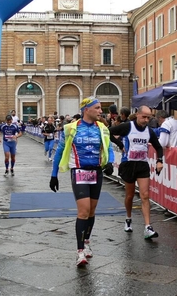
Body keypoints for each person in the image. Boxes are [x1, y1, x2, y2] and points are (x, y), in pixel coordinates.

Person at [49, 97, 114, 267]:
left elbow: (109, 148)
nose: (101, 111)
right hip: (79, 171)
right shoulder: (71, 128)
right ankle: (79, 252)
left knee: (92, 211)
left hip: (96, 172)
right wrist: (54, 175)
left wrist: (109, 163)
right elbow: (60, 151)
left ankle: (86, 242)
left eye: (101, 108)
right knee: (83, 211)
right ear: (87, 109)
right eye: (98, 108)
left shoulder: (102, 127)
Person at [109, 105, 164, 240]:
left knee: (145, 195)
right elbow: (108, 132)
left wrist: (159, 160)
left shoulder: (149, 131)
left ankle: (147, 227)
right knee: (130, 196)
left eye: (148, 117)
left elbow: (158, 147)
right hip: (128, 164)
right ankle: (128, 218)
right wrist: (120, 145)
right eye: (144, 117)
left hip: (142, 165)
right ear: (137, 115)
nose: (146, 120)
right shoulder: (128, 127)